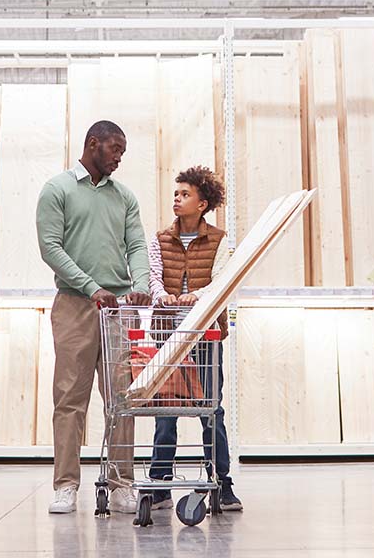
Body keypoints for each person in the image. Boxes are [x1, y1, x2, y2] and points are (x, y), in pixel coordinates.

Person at [36, 120, 152, 516]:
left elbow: (136, 243)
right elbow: (50, 248)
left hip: (118, 309)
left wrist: (140, 282)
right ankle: (66, 485)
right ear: (93, 144)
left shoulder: (125, 197)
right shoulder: (58, 189)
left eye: (123, 150)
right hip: (74, 305)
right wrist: (90, 287)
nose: (120, 157)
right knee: (70, 399)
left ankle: (122, 483)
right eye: (114, 148)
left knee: (122, 398)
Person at [145, 166, 243, 512]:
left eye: (185, 194)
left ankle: (222, 482)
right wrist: (163, 297)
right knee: (165, 410)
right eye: (175, 194)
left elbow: (221, 281)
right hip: (168, 332)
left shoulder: (219, 240)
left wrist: (196, 295)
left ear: (202, 203)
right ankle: (159, 485)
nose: (177, 199)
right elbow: (153, 276)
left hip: (206, 333)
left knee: (211, 410)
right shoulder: (159, 238)